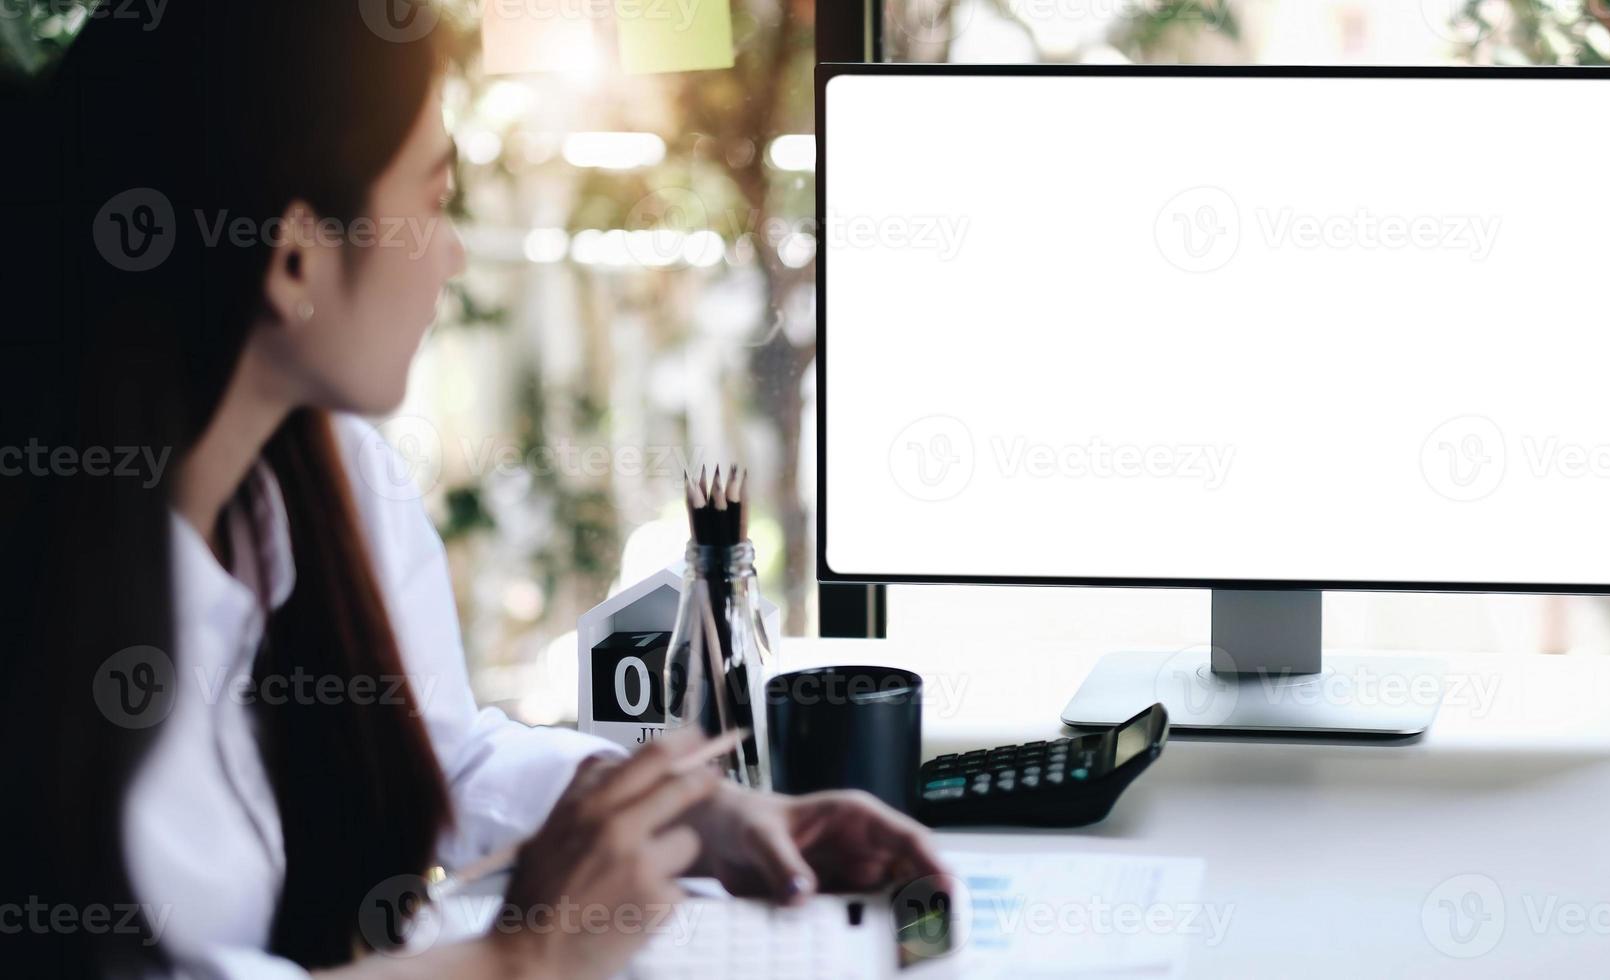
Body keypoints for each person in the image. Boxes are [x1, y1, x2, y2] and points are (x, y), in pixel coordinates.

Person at [0, 3, 944, 977]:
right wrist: (523, 955)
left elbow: (443, 757)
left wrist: (710, 817)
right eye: (432, 199)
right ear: (293, 258)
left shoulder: (331, 482)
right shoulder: (61, 624)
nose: (451, 255)